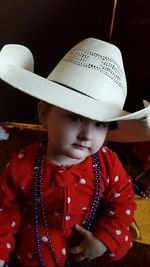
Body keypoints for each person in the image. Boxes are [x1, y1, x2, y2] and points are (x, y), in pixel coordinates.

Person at [0, 38, 150, 267]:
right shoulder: (22, 165)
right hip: (37, 246)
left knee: (113, 247)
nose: (87, 135)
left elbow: (124, 202)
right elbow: (5, 210)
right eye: (76, 117)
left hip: (86, 240)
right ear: (43, 113)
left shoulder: (108, 163)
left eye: (100, 124)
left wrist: (103, 239)